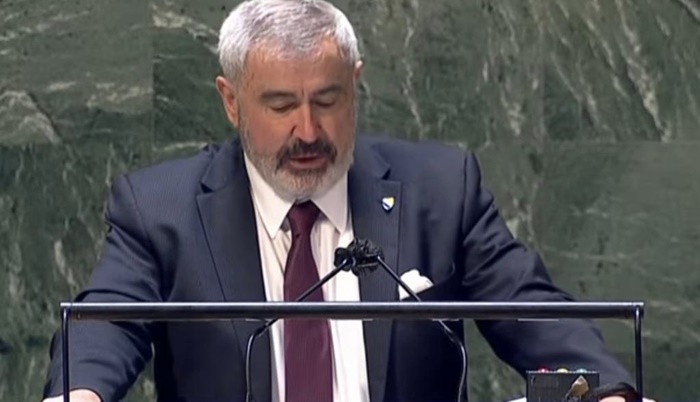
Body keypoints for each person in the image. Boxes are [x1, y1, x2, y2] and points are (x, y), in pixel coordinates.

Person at [42, 1, 650, 402]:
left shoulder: (440, 189)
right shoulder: (161, 208)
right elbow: (107, 321)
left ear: (355, 84)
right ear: (231, 101)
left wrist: (605, 391)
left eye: (327, 101)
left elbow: (530, 309)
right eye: (281, 105)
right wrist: (81, 392)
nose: (308, 131)